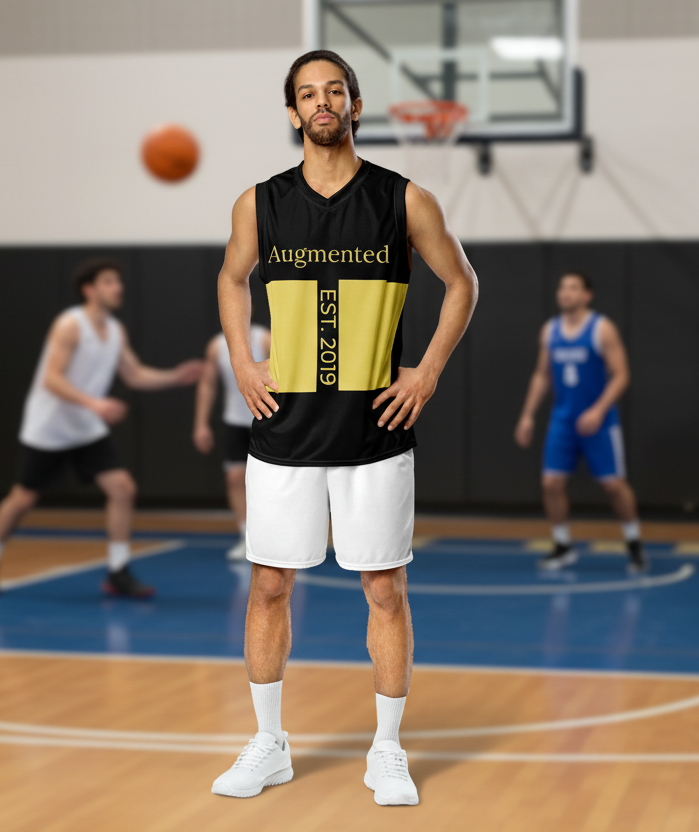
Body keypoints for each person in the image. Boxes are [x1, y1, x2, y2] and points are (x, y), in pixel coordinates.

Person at [211, 51, 477, 805]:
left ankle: (386, 751)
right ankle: (269, 744)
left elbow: (462, 282)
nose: (322, 103)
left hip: (373, 429)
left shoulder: (403, 200)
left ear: (355, 106)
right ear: (293, 114)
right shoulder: (257, 204)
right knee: (269, 586)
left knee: (384, 589)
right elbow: (232, 278)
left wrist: (425, 371)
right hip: (284, 426)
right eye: (307, 94)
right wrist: (241, 356)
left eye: (335, 91)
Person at [0, 259, 203, 598]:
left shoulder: (115, 331)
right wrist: (95, 404)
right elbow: (51, 378)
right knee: (23, 499)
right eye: (109, 281)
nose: (118, 287)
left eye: (119, 281)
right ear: (89, 290)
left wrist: (174, 376)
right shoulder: (69, 325)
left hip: (85, 426)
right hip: (49, 427)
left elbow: (134, 374)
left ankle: (118, 570)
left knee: (122, 488)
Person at [515, 271, 647, 573]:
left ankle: (634, 542)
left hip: (599, 421)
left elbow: (622, 374)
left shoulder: (602, 328)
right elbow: (541, 375)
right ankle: (562, 546)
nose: (565, 293)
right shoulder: (550, 331)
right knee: (551, 483)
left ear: (587, 295)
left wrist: (599, 410)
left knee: (614, 486)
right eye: (562, 287)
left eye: (573, 288)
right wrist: (527, 415)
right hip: (563, 419)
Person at [193, 324, 271, 560]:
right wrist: (201, 423)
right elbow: (208, 383)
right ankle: (245, 537)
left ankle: (277, 537)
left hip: (266, 417)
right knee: (235, 477)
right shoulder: (216, 345)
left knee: (272, 480)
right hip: (234, 421)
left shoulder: (264, 339)